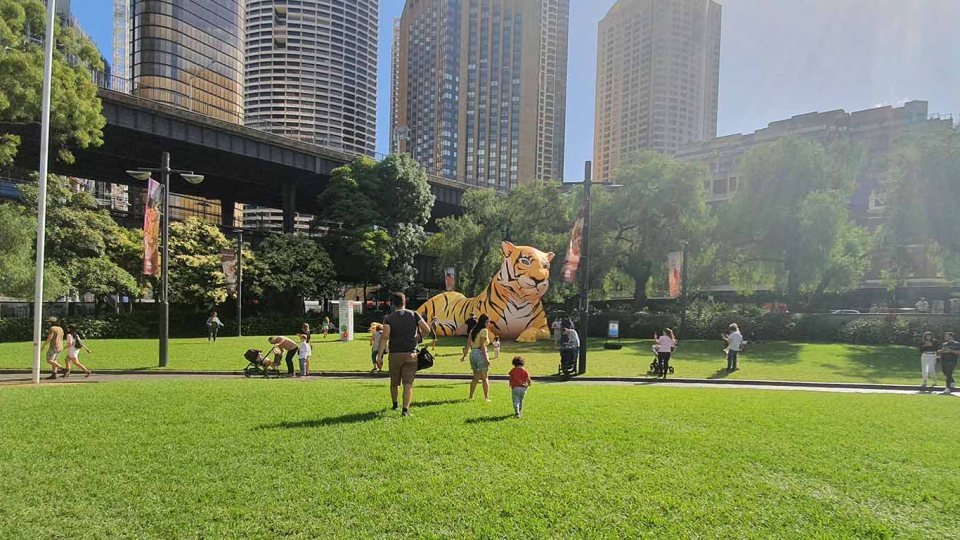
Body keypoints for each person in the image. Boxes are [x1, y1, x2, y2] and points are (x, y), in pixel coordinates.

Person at [377, 292, 434, 416]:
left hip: (395, 354)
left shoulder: (389, 318)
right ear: (405, 302)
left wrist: (379, 356)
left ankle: (395, 404)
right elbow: (427, 330)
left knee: (394, 382)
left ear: (393, 304)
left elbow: (385, 337)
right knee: (408, 383)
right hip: (411, 354)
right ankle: (405, 410)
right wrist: (418, 337)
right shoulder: (414, 314)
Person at [463, 314, 493, 401]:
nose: (489, 323)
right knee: (485, 377)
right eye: (488, 322)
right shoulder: (484, 330)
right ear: (484, 322)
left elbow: (468, 344)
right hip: (480, 353)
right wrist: (487, 359)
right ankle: (486, 397)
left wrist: (464, 355)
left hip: (473, 354)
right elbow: (482, 345)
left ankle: (471, 396)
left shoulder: (473, 330)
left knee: (475, 377)